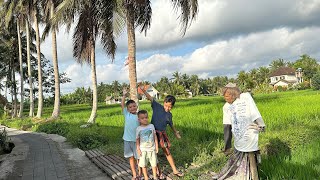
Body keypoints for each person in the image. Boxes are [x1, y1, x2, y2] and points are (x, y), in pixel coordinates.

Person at [214, 83, 266, 179]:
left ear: (233, 94)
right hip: (239, 138)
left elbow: (254, 111)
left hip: (250, 134)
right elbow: (227, 126)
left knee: (251, 157)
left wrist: (261, 124)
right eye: (224, 97)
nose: (225, 98)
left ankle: (252, 176)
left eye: (227, 96)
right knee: (240, 157)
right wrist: (227, 146)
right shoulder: (226, 107)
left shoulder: (245, 98)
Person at [139, 84, 184, 178]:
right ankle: (159, 172)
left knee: (167, 151)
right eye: (166, 106)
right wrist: (143, 90)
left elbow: (171, 125)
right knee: (153, 153)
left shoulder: (169, 115)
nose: (167, 108)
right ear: (164, 102)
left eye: (170, 107)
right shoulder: (157, 106)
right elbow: (150, 98)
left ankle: (175, 170)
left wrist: (176, 132)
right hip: (152, 134)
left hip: (162, 135)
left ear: (172, 107)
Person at [121, 88, 141, 180]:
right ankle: (134, 174)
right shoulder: (127, 114)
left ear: (136, 106)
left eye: (134, 106)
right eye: (130, 107)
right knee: (131, 157)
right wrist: (124, 95)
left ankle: (140, 173)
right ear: (127, 109)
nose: (133, 108)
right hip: (127, 140)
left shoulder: (139, 116)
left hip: (136, 141)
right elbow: (122, 104)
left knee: (139, 158)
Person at [136, 110, 159, 180]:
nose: (145, 119)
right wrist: (138, 149)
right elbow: (137, 140)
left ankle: (155, 176)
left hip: (152, 149)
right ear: (139, 120)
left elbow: (155, 137)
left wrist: (157, 146)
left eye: (146, 117)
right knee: (143, 165)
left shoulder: (151, 126)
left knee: (154, 164)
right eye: (142, 118)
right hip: (143, 150)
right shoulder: (138, 129)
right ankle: (146, 177)